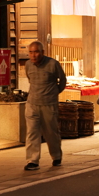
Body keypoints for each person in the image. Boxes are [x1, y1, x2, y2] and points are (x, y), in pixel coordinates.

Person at [23, 41, 67, 171]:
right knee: (32, 132)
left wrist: (54, 92)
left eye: (36, 52)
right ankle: (33, 160)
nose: (33, 55)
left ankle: (56, 156)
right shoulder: (27, 65)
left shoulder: (53, 64)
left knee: (51, 132)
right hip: (32, 103)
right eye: (31, 52)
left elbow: (63, 80)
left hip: (49, 104)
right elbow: (30, 80)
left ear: (42, 52)